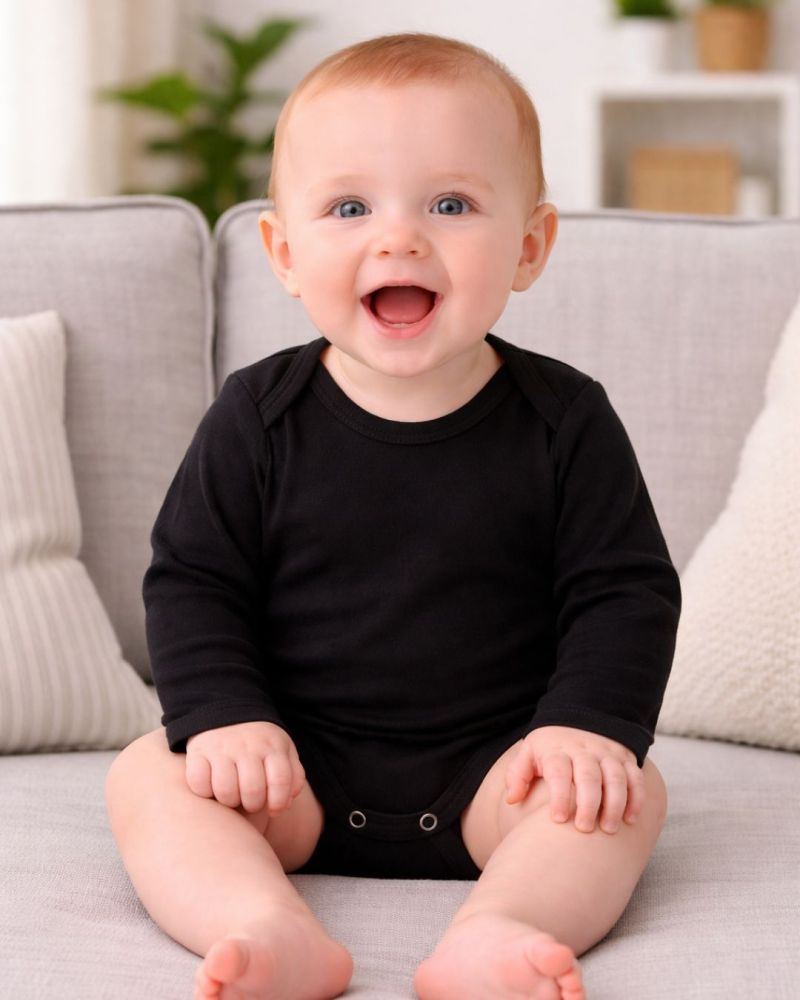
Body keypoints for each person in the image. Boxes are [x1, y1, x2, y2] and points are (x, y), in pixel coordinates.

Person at [105, 31, 681, 1000]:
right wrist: (228, 717)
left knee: (623, 795)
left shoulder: (566, 419)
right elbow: (194, 581)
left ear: (529, 246)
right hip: (288, 771)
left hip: (500, 776)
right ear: (285, 254)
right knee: (145, 774)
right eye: (349, 207)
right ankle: (262, 922)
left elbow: (623, 591)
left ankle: (499, 929)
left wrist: (585, 727)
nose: (399, 238)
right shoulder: (255, 416)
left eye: (449, 204)